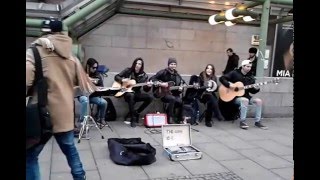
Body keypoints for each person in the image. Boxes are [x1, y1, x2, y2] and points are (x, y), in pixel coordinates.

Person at [26, 18, 94, 180]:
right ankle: (79, 177)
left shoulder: (35, 51)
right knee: (70, 149)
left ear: (44, 32)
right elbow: (83, 82)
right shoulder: (71, 55)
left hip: (42, 114)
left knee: (30, 156)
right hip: (64, 113)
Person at [219, 60, 268, 130]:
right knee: (245, 100)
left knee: (259, 101)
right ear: (243, 66)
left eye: (250, 67)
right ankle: (242, 122)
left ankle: (258, 121)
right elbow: (222, 78)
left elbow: (252, 91)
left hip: (246, 96)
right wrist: (229, 85)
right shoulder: (234, 73)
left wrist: (256, 89)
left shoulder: (251, 77)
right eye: (247, 66)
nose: (249, 68)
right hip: (234, 98)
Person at [114, 57, 153, 127]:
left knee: (150, 97)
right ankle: (133, 119)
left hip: (136, 93)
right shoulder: (128, 70)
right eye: (136, 63)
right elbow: (116, 76)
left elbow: (145, 89)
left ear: (141, 66)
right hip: (126, 92)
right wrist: (122, 80)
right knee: (131, 95)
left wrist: (149, 86)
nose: (137, 65)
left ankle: (137, 112)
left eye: (139, 64)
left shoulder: (144, 76)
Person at [149, 57, 185, 124]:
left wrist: (181, 88)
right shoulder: (163, 72)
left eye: (174, 64)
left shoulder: (177, 75)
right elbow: (152, 79)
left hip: (172, 93)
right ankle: (169, 117)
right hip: (162, 94)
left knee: (181, 102)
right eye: (171, 64)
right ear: (168, 65)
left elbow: (181, 84)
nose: (173, 66)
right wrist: (161, 84)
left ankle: (179, 119)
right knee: (173, 99)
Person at [77, 58, 108, 129]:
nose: (95, 69)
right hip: (83, 95)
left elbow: (101, 87)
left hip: (92, 96)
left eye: (96, 67)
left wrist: (95, 84)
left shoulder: (97, 74)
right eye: (93, 67)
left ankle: (101, 119)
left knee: (104, 102)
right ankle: (82, 121)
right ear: (88, 66)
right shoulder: (82, 73)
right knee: (85, 100)